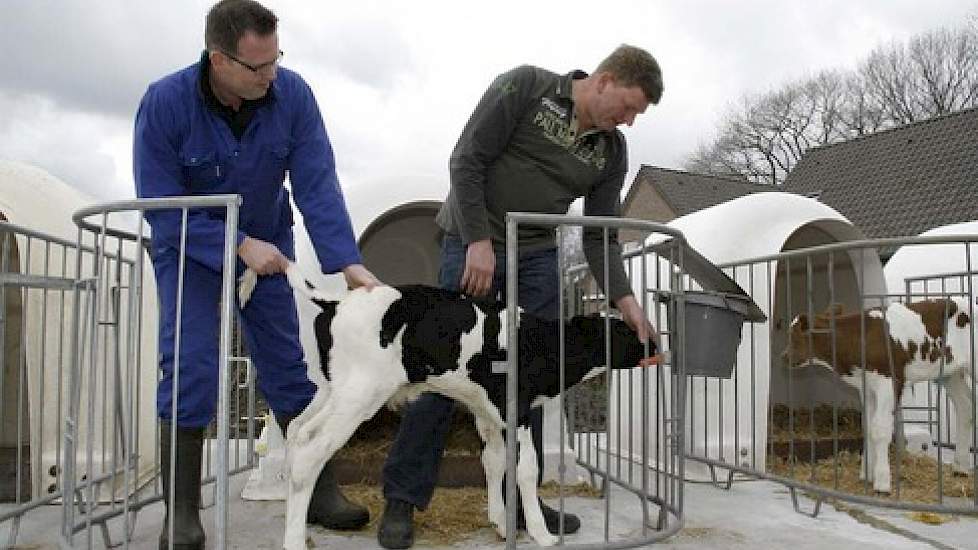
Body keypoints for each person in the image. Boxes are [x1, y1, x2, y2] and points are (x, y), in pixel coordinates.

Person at [377, 45, 663, 549]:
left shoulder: (611, 150)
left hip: (536, 259)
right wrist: (477, 241)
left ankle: (519, 498)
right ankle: (402, 498)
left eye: (636, 115)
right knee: (445, 373)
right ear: (606, 80)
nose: (630, 121)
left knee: (531, 381)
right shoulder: (526, 87)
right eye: (630, 107)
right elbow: (466, 159)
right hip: (474, 247)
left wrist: (627, 303)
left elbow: (600, 234)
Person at [133, 1, 379, 548]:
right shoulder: (165, 102)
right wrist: (236, 244)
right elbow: (160, 203)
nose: (272, 75)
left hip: (271, 245)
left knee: (287, 365)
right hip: (191, 247)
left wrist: (348, 262)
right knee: (190, 363)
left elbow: (316, 181)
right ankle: (182, 514)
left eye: (275, 60)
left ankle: (317, 489)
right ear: (218, 60)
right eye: (257, 67)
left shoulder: (293, 95)